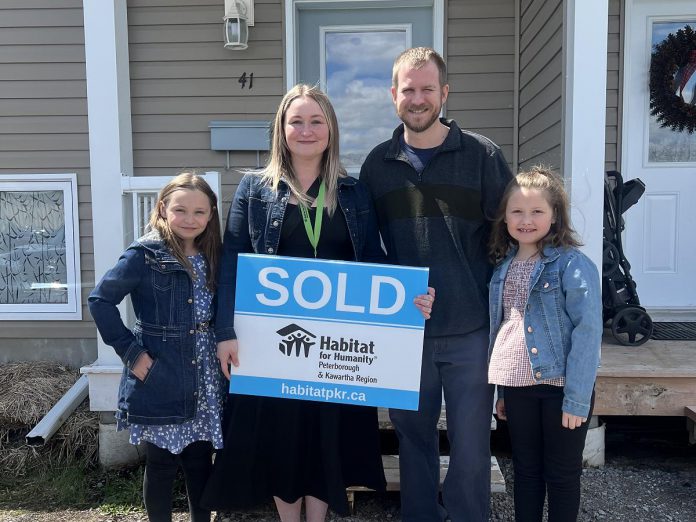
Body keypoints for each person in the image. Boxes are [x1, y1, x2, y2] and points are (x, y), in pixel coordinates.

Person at [202, 84, 434, 522]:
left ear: (330, 130)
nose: (306, 130)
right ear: (281, 129)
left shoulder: (351, 191)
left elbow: (371, 260)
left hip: (334, 346)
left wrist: (409, 295)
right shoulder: (255, 189)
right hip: (272, 344)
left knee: (328, 433)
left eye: (316, 121)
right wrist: (225, 333)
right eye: (297, 121)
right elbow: (231, 261)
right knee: (283, 436)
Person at [359, 47, 513, 521]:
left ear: (444, 93)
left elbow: (511, 237)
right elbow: (367, 251)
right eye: (409, 89)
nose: (418, 98)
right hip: (404, 331)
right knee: (413, 437)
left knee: (470, 443)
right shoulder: (377, 166)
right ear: (393, 95)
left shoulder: (483, 156)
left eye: (428, 89)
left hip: (471, 327)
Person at [88, 173, 224, 522]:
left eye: (199, 212)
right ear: (162, 209)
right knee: (162, 464)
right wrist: (131, 354)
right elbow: (101, 300)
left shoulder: (214, 255)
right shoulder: (144, 254)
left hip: (205, 374)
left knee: (199, 462)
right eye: (180, 210)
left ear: (211, 215)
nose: (189, 219)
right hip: (161, 372)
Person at [487, 167, 602, 521]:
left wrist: (578, 399)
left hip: (561, 389)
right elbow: (507, 330)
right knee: (525, 471)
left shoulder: (572, 264)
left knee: (562, 475)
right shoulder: (502, 267)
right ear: (505, 217)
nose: (526, 220)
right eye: (517, 211)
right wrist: (503, 393)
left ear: (555, 216)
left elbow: (587, 330)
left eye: (537, 211)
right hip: (518, 386)